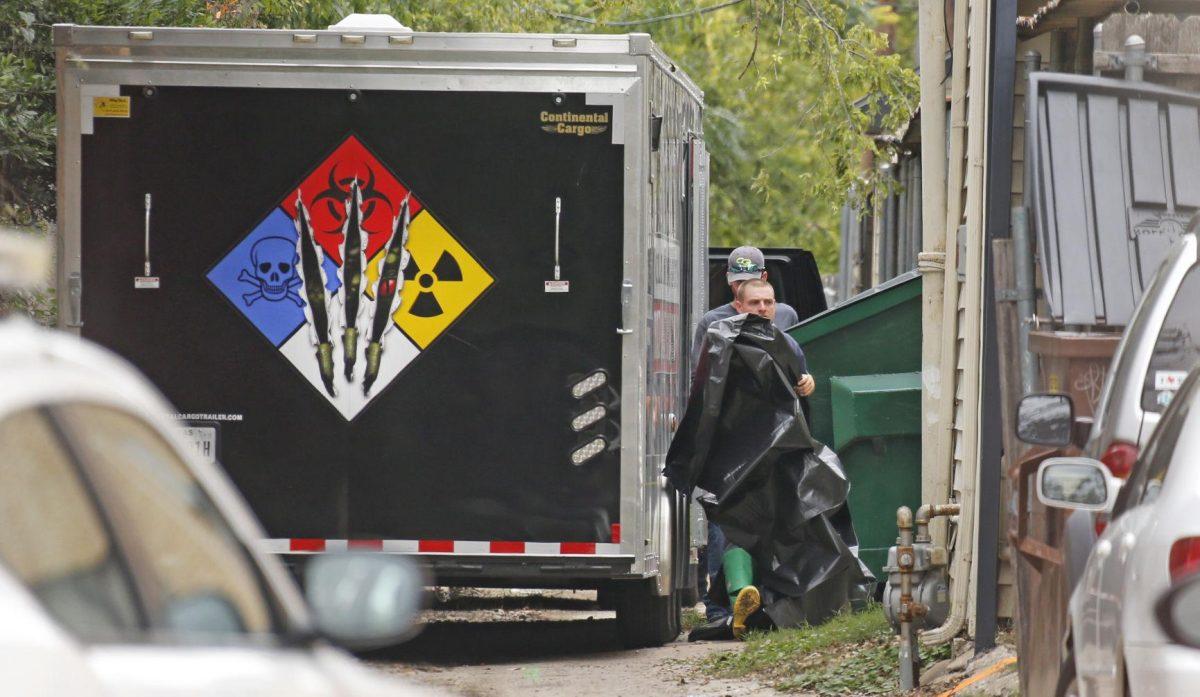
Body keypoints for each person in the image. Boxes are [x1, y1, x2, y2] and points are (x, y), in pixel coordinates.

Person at [694, 278, 815, 632]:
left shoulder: (788, 343)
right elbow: (704, 396)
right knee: (729, 526)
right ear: (739, 306)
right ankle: (731, 605)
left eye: (769, 302)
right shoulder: (721, 343)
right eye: (755, 303)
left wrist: (808, 382)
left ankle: (755, 603)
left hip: (775, 453)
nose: (763, 309)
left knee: (770, 527)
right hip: (731, 455)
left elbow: (801, 383)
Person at [690, 246, 800, 366]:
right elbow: (699, 374)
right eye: (740, 282)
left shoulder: (787, 315)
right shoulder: (712, 321)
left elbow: (797, 362)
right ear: (729, 279)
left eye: (751, 281)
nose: (745, 288)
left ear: (764, 277)